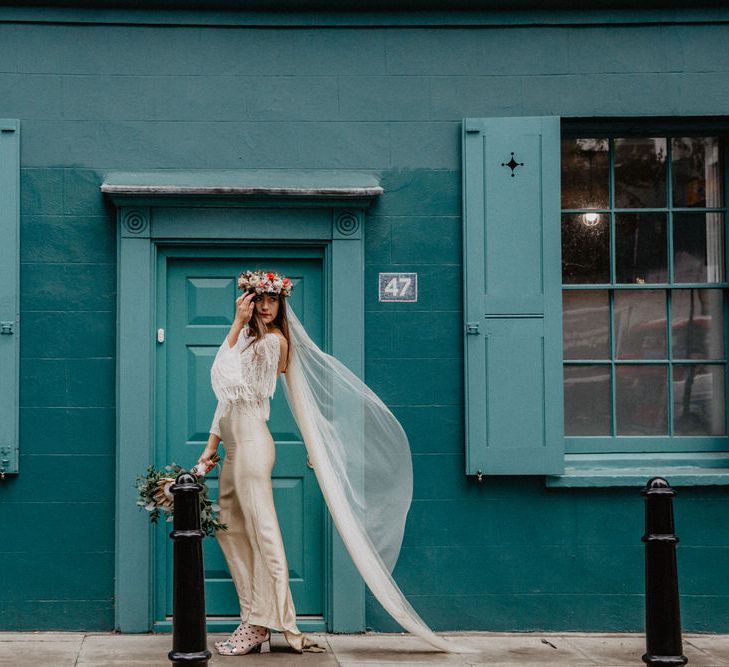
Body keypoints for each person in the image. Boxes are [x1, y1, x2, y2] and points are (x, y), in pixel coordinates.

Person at [197, 269, 471, 656]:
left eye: (272, 300)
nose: (263, 306)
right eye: (258, 299)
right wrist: (210, 448)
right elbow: (225, 400)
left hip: (254, 446)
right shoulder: (243, 341)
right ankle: (252, 614)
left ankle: (267, 623)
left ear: (281, 306)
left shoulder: (273, 344)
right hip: (232, 447)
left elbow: (221, 377)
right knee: (229, 529)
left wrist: (236, 323)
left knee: (263, 534)